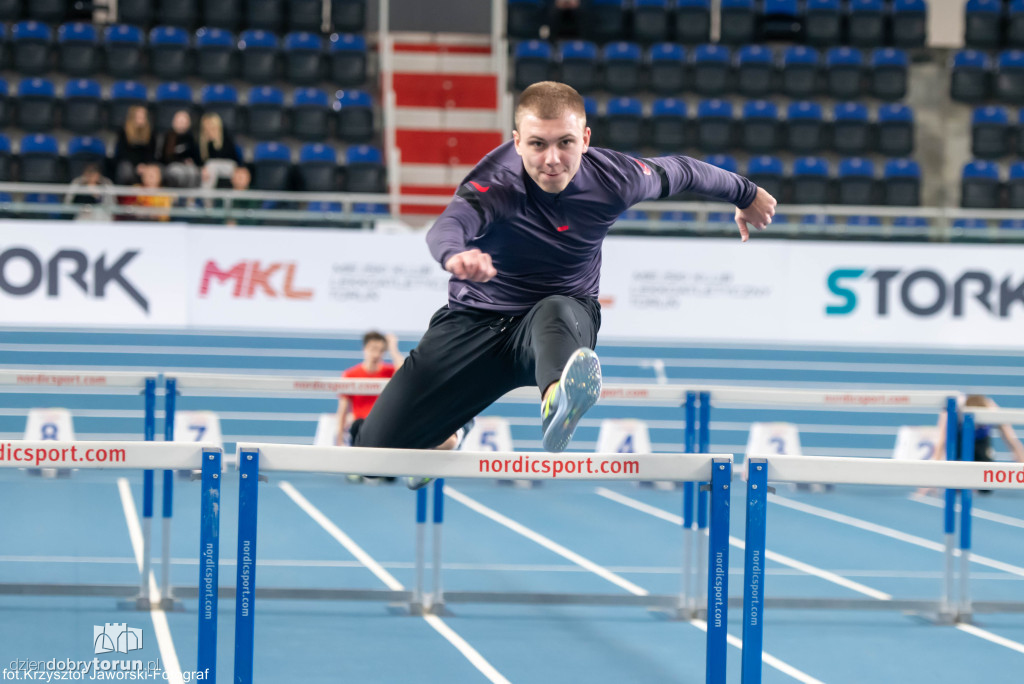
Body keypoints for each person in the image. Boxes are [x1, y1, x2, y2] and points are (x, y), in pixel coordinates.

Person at [352, 81, 776, 489]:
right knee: (372, 457)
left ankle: (558, 397)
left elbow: (682, 171)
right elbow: (447, 226)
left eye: (565, 143)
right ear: (517, 142)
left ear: (585, 139)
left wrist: (746, 192)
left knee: (553, 308)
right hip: (475, 321)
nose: (552, 159)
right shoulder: (496, 183)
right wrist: (454, 255)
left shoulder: (616, 177)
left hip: (562, 321)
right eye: (537, 144)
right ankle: (448, 432)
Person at [337, 331, 470, 484]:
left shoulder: (388, 371)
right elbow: (342, 412)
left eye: (381, 350)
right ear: (365, 348)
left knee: (390, 476)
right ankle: (357, 466)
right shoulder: (351, 374)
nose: (377, 354)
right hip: (362, 426)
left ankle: (395, 466)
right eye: (373, 349)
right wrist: (339, 442)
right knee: (357, 424)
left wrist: (393, 348)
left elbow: (405, 371)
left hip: (386, 425)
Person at [918, 395, 1024, 496]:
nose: (977, 426)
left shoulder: (993, 409)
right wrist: (932, 475)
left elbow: (1010, 438)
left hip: (981, 439)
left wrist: (1021, 460)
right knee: (955, 484)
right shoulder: (953, 409)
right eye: (977, 424)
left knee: (986, 487)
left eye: (981, 424)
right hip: (960, 436)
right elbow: (942, 439)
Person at [113, 105, 157, 185]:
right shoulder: (123, 132)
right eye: (139, 117)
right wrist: (136, 165)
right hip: (129, 163)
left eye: (143, 117)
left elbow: (151, 153)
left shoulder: (150, 133)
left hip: (145, 164)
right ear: (133, 117)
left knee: (155, 169)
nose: (141, 119)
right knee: (126, 169)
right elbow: (122, 153)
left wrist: (145, 165)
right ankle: (123, 196)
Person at [158, 110, 202, 188]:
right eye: (179, 121)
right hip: (172, 165)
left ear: (188, 123)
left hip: (188, 166)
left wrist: (191, 161)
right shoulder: (168, 136)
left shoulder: (191, 137)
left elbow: (196, 157)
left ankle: (190, 198)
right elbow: (164, 157)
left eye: (184, 122)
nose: (181, 124)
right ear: (174, 122)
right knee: (178, 172)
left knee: (193, 172)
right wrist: (181, 161)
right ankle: (176, 198)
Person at [199, 113, 241, 189]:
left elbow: (230, 156)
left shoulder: (225, 137)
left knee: (211, 165)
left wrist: (214, 142)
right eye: (206, 126)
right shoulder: (203, 142)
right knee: (209, 167)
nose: (208, 129)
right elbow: (202, 160)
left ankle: (206, 198)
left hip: (230, 166)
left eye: (211, 126)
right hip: (211, 167)